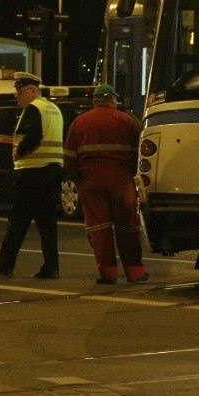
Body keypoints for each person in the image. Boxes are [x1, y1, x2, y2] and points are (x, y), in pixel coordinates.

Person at [63, 84, 148, 284]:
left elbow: (69, 157)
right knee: (127, 226)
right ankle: (135, 272)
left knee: (99, 228)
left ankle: (108, 273)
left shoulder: (79, 122)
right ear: (112, 100)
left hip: (91, 181)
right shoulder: (126, 120)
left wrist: (78, 177)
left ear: (95, 101)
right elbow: (139, 153)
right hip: (121, 180)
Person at [0, 72, 64, 279]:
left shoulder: (33, 108)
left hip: (32, 173)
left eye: (19, 91)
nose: (16, 95)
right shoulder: (54, 109)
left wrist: (19, 151)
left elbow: (35, 135)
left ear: (31, 90)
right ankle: (51, 267)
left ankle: (4, 265)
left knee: (18, 220)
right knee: (47, 223)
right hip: (53, 170)